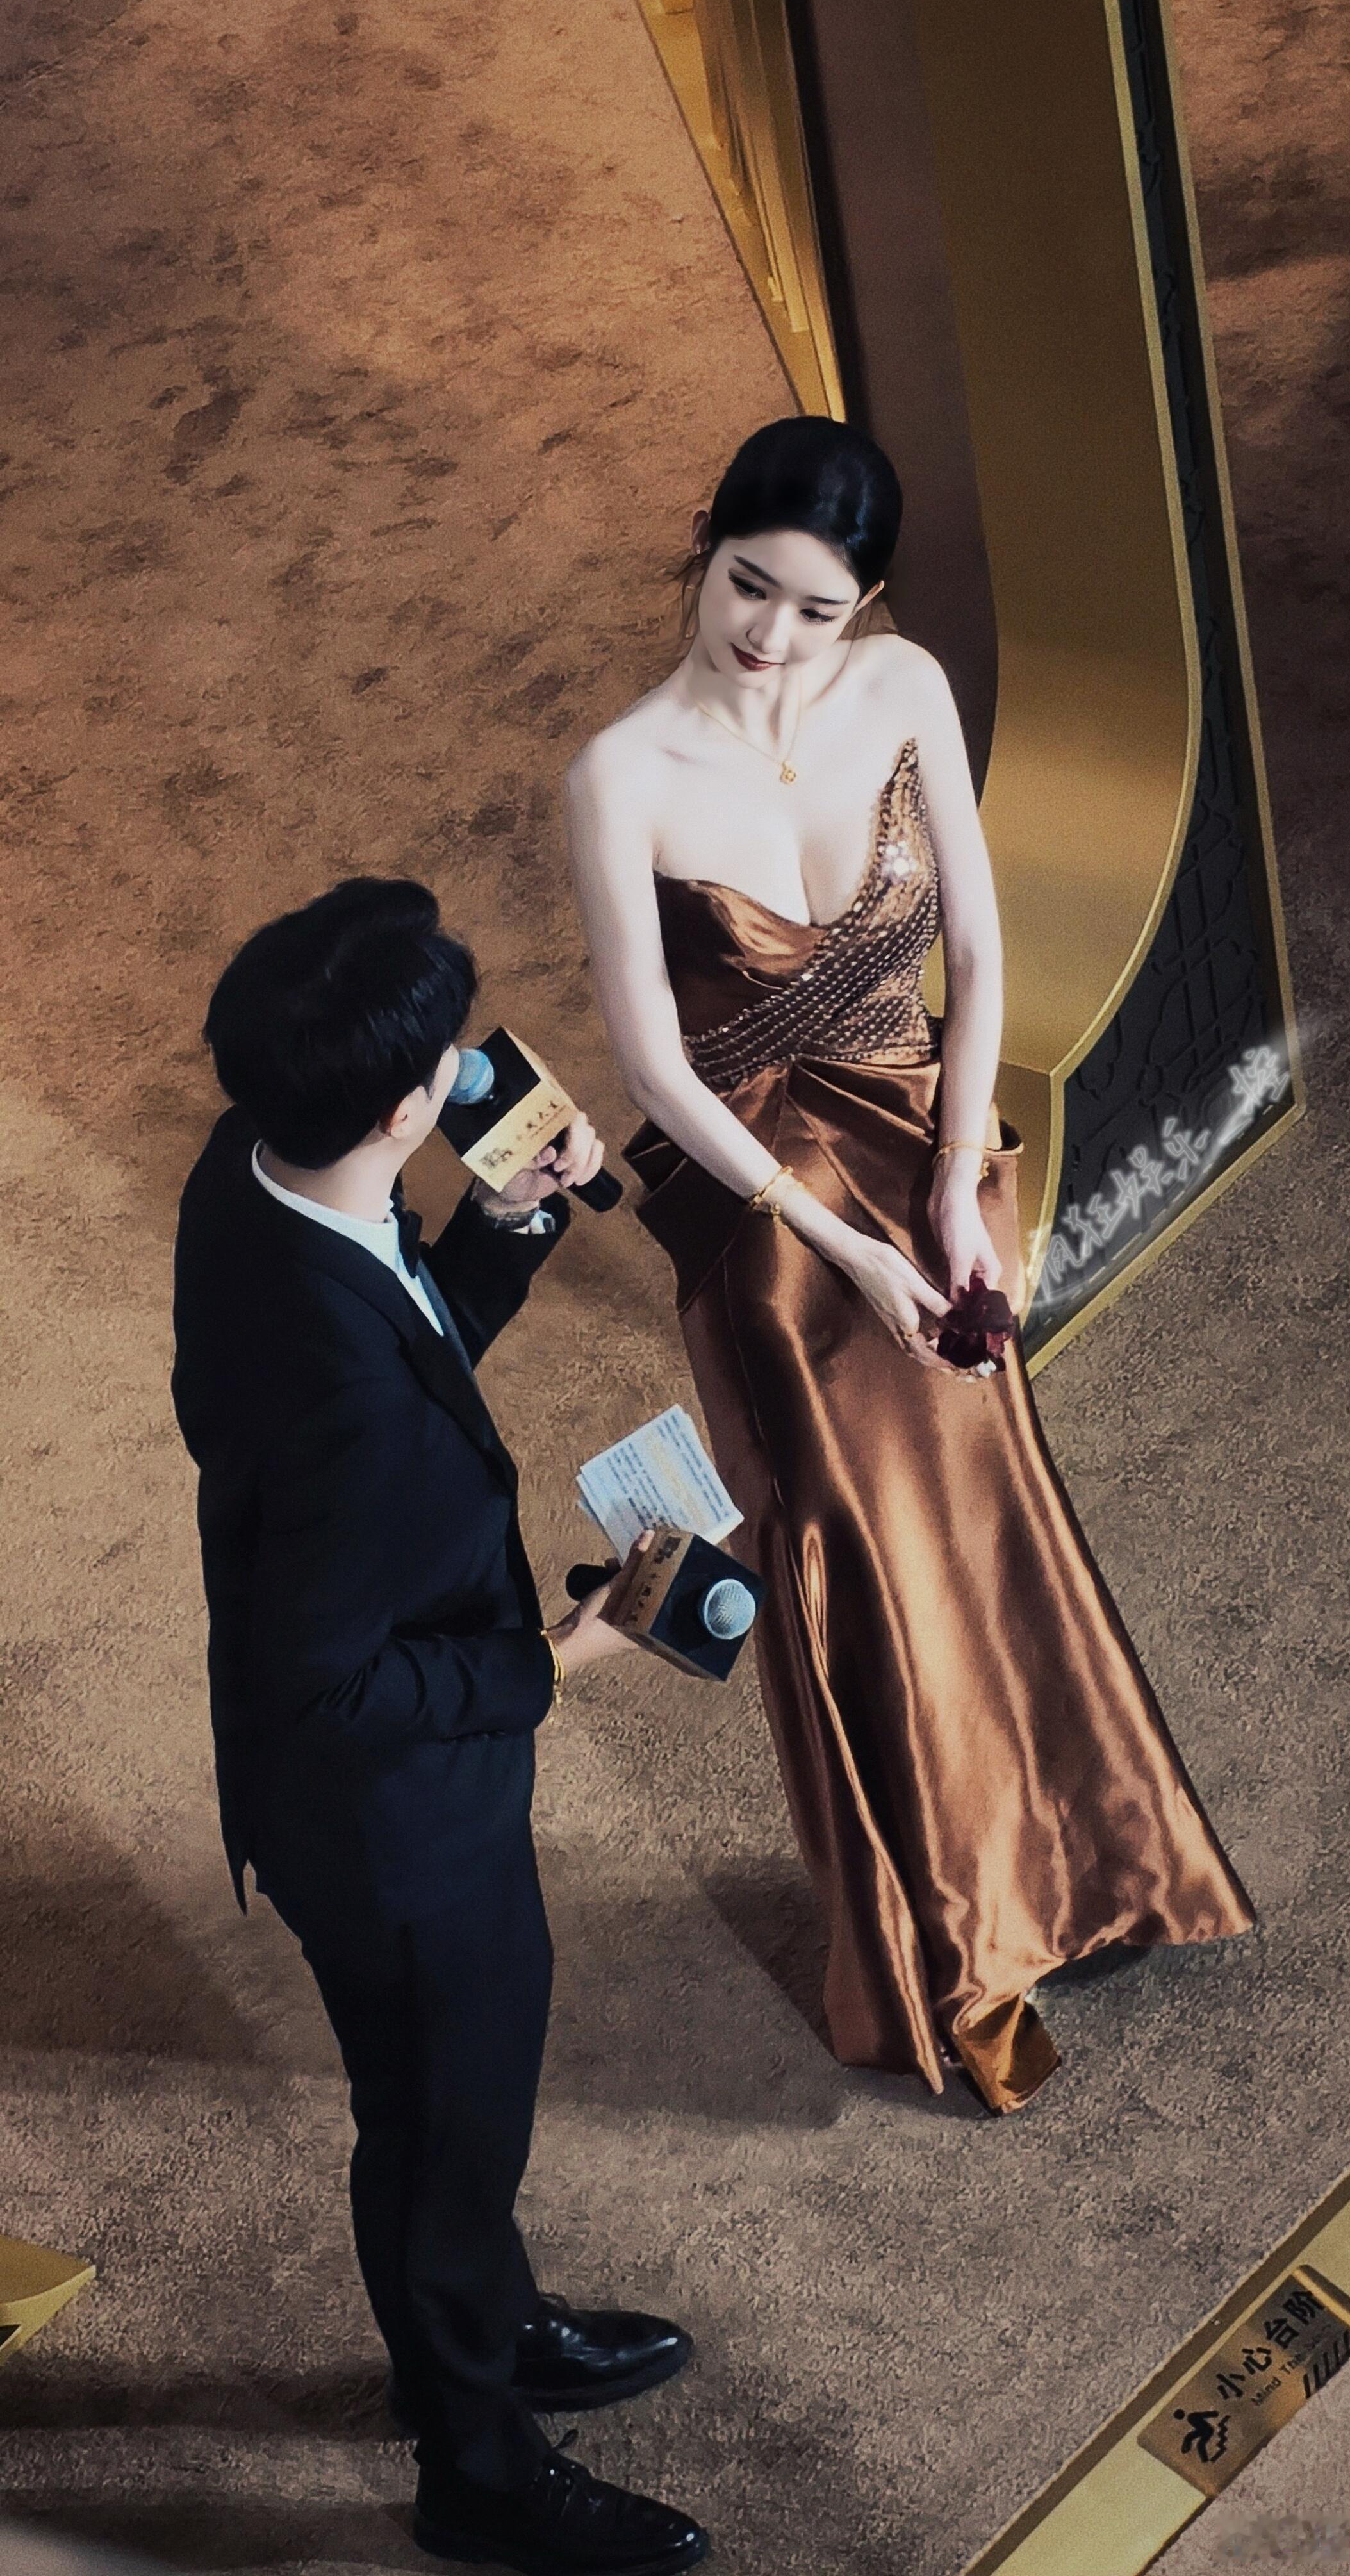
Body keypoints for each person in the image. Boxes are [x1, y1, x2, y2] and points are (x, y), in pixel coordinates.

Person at [565, 415, 1254, 2115]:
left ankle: (1094, 1869)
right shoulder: (622, 775)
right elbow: (654, 1068)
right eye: (748, 586)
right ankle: (942, 1949)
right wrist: (840, 1246)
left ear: (865, 605)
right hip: (769, 1221)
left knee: (991, 1520)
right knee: (852, 1570)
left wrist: (954, 1189)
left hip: (925, 1157)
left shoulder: (903, 687)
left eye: (819, 608)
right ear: (707, 542)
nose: (773, 636)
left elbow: (981, 945)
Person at [170, 878, 708, 2575]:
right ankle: (473, 2462)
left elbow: (405, 1339)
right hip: (400, 1835)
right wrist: (562, 1656)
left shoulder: (250, 1170)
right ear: (404, 1114)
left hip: (351, 1789)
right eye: (445, 1070)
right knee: (443, 2128)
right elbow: (333, 1679)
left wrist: (507, 1224)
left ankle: (480, 2325)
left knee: (438, 2119)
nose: (468, 1074)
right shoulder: (349, 1413)